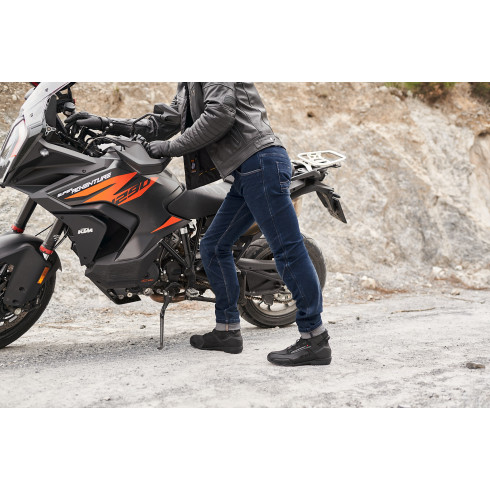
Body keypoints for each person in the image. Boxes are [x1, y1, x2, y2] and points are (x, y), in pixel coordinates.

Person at [66, 82, 331, 366]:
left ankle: (314, 339)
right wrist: (105, 124)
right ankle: (227, 331)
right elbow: (164, 121)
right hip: (245, 172)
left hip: (261, 163)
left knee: (287, 249)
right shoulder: (189, 83)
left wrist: (169, 147)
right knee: (214, 246)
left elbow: (220, 114)